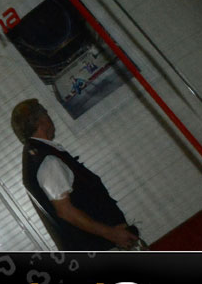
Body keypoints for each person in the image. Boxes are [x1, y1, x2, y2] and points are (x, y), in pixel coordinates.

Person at [10, 98, 143, 250]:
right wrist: (112, 234)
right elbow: (66, 211)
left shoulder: (44, 154)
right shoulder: (47, 159)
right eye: (46, 113)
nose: (49, 117)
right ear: (40, 120)